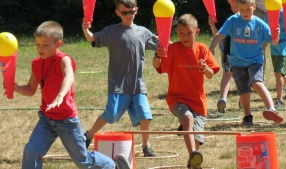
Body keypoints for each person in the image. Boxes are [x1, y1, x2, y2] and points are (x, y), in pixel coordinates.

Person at [13, 21, 131, 169]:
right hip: (46, 119)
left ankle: (114, 166)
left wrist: (60, 95)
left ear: (58, 44)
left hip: (67, 121)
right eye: (37, 44)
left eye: (45, 45)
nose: (40, 48)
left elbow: (69, 77)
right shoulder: (37, 63)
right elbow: (31, 89)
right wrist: (16, 88)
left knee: (83, 161)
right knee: (31, 150)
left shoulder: (64, 60)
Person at [81, 0, 157, 157]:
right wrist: (86, 29)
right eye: (124, 13)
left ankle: (146, 147)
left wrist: (179, 46)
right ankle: (88, 135)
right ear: (118, 13)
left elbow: (163, 44)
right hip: (118, 85)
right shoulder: (111, 32)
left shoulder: (143, 32)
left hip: (137, 85)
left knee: (145, 114)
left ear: (136, 10)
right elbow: (92, 38)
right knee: (111, 115)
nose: (128, 15)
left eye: (131, 12)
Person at [153, 14, 220, 168]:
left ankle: (193, 163)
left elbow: (211, 75)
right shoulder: (173, 49)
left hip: (198, 102)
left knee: (196, 141)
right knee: (188, 119)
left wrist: (205, 68)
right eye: (181, 33)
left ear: (196, 32)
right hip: (177, 99)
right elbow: (157, 66)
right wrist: (157, 55)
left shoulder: (202, 49)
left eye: (188, 33)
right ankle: (192, 156)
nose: (184, 36)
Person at [209, 0, 283, 125]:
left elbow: (273, 42)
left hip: (255, 60)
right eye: (242, 9)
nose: (244, 12)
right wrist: (211, 48)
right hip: (237, 62)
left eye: (248, 9)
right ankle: (248, 116)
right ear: (238, 7)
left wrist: (277, 35)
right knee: (243, 91)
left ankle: (271, 109)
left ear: (254, 7)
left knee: (257, 82)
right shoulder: (233, 20)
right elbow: (220, 35)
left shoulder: (260, 24)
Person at [264, 9, 286, 108]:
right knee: (281, 73)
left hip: (284, 48)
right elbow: (266, 30)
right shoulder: (268, 13)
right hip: (274, 48)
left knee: (278, 73)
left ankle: (280, 100)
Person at [208, 0, 238, 113]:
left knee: (242, 75)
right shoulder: (223, 14)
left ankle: (243, 98)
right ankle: (222, 99)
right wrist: (212, 25)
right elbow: (218, 33)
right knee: (228, 73)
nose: (235, 1)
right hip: (228, 49)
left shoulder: (246, 11)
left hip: (243, 51)